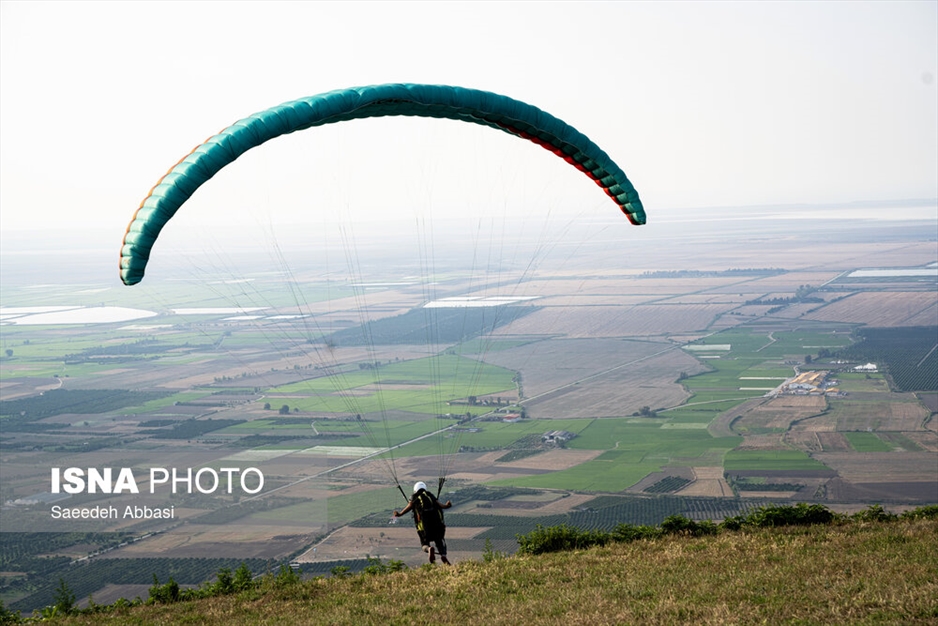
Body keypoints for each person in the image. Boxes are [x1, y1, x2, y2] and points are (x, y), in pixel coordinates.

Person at [393, 481, 453, 564]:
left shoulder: (414, 497)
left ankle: (429, 549)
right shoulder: (430, 496)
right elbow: (441, 506)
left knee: (424, 544)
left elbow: (409, 506)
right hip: (437, 526)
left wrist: (399, 514)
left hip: (424, 528)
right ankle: (443, 555)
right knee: (440, 541)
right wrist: (447, 505)